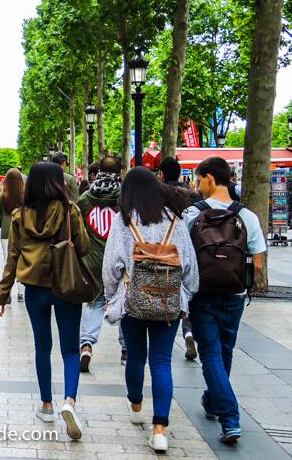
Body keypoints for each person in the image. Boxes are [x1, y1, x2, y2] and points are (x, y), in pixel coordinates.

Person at [102, 167, 198, 454]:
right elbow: (189, 265)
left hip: (132, 299)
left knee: (135, 356)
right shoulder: (175, 220)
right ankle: (160, 430)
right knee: (161, 362)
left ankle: (135, 403)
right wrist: (186, 294)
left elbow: (111, 266)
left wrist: (110, 295)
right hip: (168, 301)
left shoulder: (123, 221)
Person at [0, 161, 89, 441]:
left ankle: (46, 405)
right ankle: (69, 401)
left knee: (42, 347)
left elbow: (12, 258)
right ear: (59, 182)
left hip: (35, 288)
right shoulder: (71, 211)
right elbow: (82, 247)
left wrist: (2, 295)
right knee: (71, 350)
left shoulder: (20, 215)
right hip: (66, 286)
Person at [184, 157, 266, 444]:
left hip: (202, 293)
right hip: (234, 295)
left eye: (198, 179)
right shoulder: (248, 216)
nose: (197, 185)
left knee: (210, 354)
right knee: (225, 351)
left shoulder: (192, 214)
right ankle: (212, 400)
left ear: (208, 178)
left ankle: (230, 418)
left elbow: (183, 256)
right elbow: (257, 263)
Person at [77, 156, 126, 372]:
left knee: (93, 302)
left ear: (97, 173)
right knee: (124, 302)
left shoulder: (86, 199)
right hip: (119, 260)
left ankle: (86, 344)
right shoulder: (125, 199)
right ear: (120, 172)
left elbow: (78, 229)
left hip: (93, 260)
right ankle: (126, 349)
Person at [158, 156, 200, 360]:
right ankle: (189, 331)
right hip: (191, 251)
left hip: (167, 254)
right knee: (186, 293)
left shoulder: (159, 195)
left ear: (162, 174)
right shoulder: (192, 196)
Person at [0, 167, 25, 303]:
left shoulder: (1, 196)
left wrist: (1, 225)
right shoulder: (25, 196)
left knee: (8, 263)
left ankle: (7, 294)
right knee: (22, 262)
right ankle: (21, 293)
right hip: (23, 233)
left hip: (6, 233)